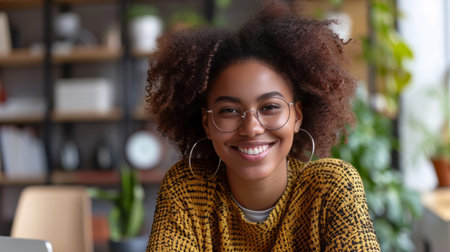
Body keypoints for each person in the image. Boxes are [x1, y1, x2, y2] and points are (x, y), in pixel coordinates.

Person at [146, 1, 380, 250]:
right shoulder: (187, 190)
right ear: (207, 123)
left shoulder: (331, 187)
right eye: (229, 111)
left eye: (270, 107)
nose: (252, 128)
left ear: (297, 116)